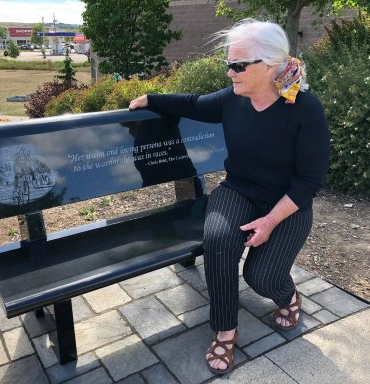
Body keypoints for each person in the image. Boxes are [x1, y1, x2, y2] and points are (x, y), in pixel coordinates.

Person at [129, 19, 330, 375]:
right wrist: (152, 99)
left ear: (269, 67)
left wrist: (270, 222)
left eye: (238, 65)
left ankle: (289, 296)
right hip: (239, 190)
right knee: (218, 241)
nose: (230, 72)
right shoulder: (232, 99)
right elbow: (193, 104)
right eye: (229, 63)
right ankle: (225, 331)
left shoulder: (305, 109)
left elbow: (310, 180)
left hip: (288, 203)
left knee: (262, 277)